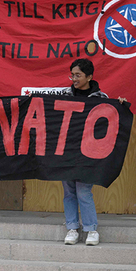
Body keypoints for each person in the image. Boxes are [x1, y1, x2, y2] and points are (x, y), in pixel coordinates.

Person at [59, 58, 109, 245]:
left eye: (78, 75)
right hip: (67, 150)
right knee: (69, 190)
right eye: (72, 75)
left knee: (83, 190)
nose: (74, 79)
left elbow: (111, 118)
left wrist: (120, 105)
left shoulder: (101, 98)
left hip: (89, 152)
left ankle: (91, 229)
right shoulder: (64, 95)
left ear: (89, 77)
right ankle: (72, 228)